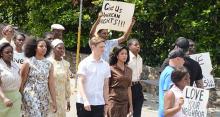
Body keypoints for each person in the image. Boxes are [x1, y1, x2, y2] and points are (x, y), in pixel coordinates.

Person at [20, 39, 57, 117]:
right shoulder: (28, 62)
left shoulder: (49, 64)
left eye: (45, 46)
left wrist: (54, 101)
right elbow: (22, 82)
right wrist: (20, 98)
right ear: (35, 48)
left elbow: (51, 84)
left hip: (44, 95)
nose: (44, 48)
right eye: (41, 46)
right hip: (30, 94)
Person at [76, 37, 111, 117]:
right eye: (101, 47)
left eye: (104, 47)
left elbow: (106, 86)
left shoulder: (106, 65)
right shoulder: (84, 63)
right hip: (84, 103)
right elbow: (80, 82)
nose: (103, 49)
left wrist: (106, 103)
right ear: (93, 47)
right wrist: (85, 100)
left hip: (99, 103)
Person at [106, 45, 133, 117]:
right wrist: (105, 104)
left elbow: (129, 88)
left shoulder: (129, 70)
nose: (125, 56)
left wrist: (131, 105)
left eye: (126, 53)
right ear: (117, 56)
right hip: (113, 102)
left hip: (124, 103)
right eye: (122, 53)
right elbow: (106, 87)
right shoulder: (111, 69)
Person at [159, 49, 185, 117]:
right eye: (183, 59)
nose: (184, 62)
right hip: (168, 112)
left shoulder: (167, 69)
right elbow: (167, 94)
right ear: (177, 59)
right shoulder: (171, 73)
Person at [48, 39, 71, 117]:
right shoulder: (47, 62)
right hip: (49, 99)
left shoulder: (66, 64)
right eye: (59, 48)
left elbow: (67, 82)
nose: (62, 50)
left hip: (62, 99)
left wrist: (68, 99)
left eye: (63, 48)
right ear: (53, 49)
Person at [0, 43, 21, 117]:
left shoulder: (15, 65)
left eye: (11, 52)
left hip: (16, 99)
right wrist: (4, 98)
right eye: (7, 52)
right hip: (3, 100)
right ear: (1, 54)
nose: (10, 54)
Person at [127, 39, 143, 117]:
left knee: (137, 111)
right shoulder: (126, 58)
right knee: (127, 111)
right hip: (128, 87)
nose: (138, 46)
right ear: (129, 46)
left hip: (137, 86)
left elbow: (139, 73)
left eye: (139, 45)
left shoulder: (140, 58)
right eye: (136, 45)